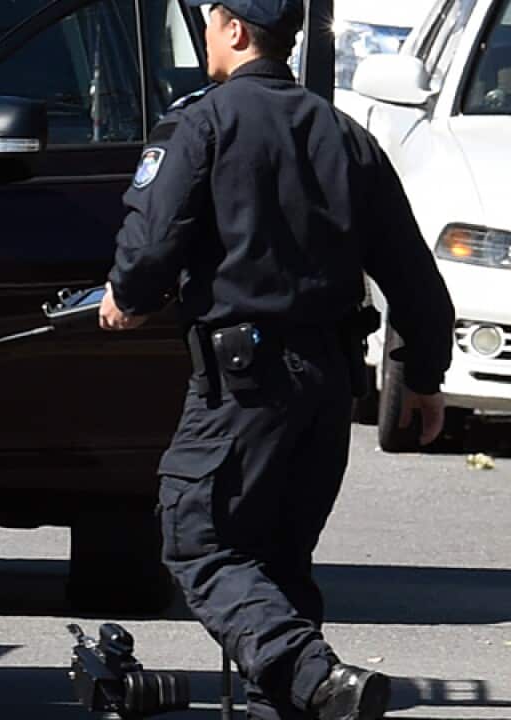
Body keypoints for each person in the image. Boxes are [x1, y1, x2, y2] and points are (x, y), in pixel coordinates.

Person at [98, 1, 456, 719]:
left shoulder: (203, 123)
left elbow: (151, 243)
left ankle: (318, 679)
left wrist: (126, 295)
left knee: (198, 539)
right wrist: (423, 377)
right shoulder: (345, 135)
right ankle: (308, 698)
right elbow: (416, 278)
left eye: (209, 20)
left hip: (243, 387)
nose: (204, 34)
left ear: (233, 29)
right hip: (325, 386)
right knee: (280, 569)